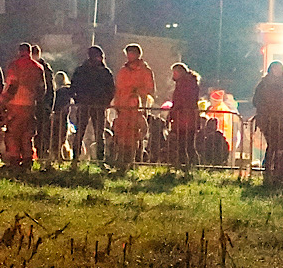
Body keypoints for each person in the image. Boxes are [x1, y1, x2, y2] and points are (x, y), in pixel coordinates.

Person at [111, 44, 156, 173]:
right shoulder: (123, 71)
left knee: (135, 136)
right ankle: (120, 163)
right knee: (121, 135)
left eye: (131, 53)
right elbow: (118, 89)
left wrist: (136, 94)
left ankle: (134, 163)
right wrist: (117, 104)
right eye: (128, 53)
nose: (129, 56)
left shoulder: (145, 71)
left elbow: (150, 89)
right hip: (123, 108)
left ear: (137, 54)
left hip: (137, 109)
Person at [69, 46, 115, 167]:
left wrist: (78, 99)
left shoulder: (82, 70)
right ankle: (97, 160)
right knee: (95, 134)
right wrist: (105, 102)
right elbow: (111, 90)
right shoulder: (104, 72)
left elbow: (73, 87)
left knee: (86, 133)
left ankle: (77, 160)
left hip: (89, 105)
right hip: (94, 105)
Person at [252, 61, 283, 184]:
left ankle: (273, 171)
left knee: (276, 145)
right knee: (273, 144)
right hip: (267, 119)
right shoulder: (264, 84)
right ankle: (269, 170)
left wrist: (282, 108)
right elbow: (256, 101)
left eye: (279, 69)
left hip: (280, 119)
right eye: (275, 69)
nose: (277, 71)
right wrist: (267, 109)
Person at [3, 43, 43, 168]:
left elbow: (12, 86)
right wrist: (35, 101)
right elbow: (42, 89)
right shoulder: (38, 67)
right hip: (30, 106)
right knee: (27, 134)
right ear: (30, 52)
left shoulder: (14, 65)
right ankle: (28, 160)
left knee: (13, 134)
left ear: (19, 51)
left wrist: (2, 100)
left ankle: (14, 160)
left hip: (15, 105)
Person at [167, 62, 201, 169]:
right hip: (188, 118)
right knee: (188, 145)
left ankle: (185, 166)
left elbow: (180, 101)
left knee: (184, 145)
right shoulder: (190, 82)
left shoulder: (184, 83)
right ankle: (192, 166)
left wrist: (172, 113)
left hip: (183, 118)